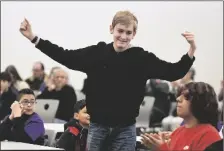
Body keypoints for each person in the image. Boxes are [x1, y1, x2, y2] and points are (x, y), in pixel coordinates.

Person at [19, 10, 196, 151]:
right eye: (120, 31)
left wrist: (191, 50)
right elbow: (65, 55)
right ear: (111, 28)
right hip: (97, 127)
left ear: (134, 34)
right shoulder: (96, 54)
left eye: (128, 32)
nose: (123, 36)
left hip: (126, 129)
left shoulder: (142, 58)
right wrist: (34, 38)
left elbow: (173, 72)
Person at [141, 82, 221, 151]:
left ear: (200, 102)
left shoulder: (209, 135)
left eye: (186, 97)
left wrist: (161, 148)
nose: (178, 99)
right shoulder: (177, 132)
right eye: (179, 95)